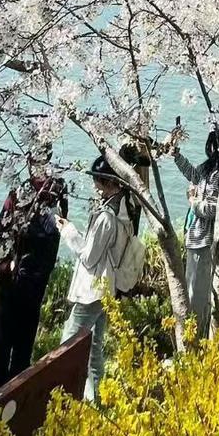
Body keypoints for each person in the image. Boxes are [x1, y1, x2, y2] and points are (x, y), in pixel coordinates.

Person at [55, 154, 134, 401]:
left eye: (97, 181)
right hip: (107, 289)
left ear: (108, 183)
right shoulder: (124, 210)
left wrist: (68, 231)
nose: (94, 186)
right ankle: (95, 399)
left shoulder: (106, 218)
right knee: (94, 348)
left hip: (93, 290)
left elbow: (89, 256)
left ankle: (59, 397)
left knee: (68, 344)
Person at [0, 159, 68, 394]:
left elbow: (0, 231)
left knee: (5, 352)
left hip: (18, 284)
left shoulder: (35, 194)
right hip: (29, 283)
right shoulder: (55, 194)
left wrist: (6, 265)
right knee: (19, 352)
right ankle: (13, 405)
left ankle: (0, 405)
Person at [171, 128, 219, 337]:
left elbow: (211, 209)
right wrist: (176, 155)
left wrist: (193, 202)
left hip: (204, 240)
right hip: (194, 237)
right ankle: (194, 333)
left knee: (197, 293)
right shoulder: (209, 169)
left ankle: (196, 336)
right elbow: (192, 175)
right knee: (192, 287)